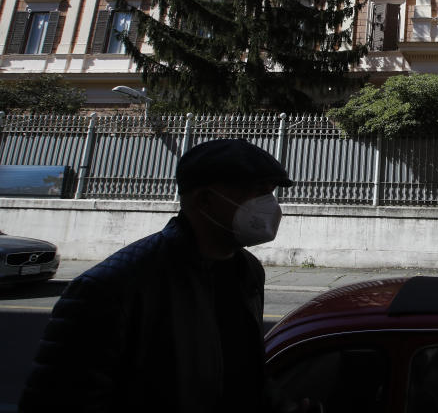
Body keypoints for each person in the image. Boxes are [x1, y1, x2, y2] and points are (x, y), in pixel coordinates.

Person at [19, 138, 292, 413]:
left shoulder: (248, 271)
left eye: (270, 193)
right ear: (205, 200)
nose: (269, 205)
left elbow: (241, 373)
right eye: (257, 193)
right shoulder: (112, 287)